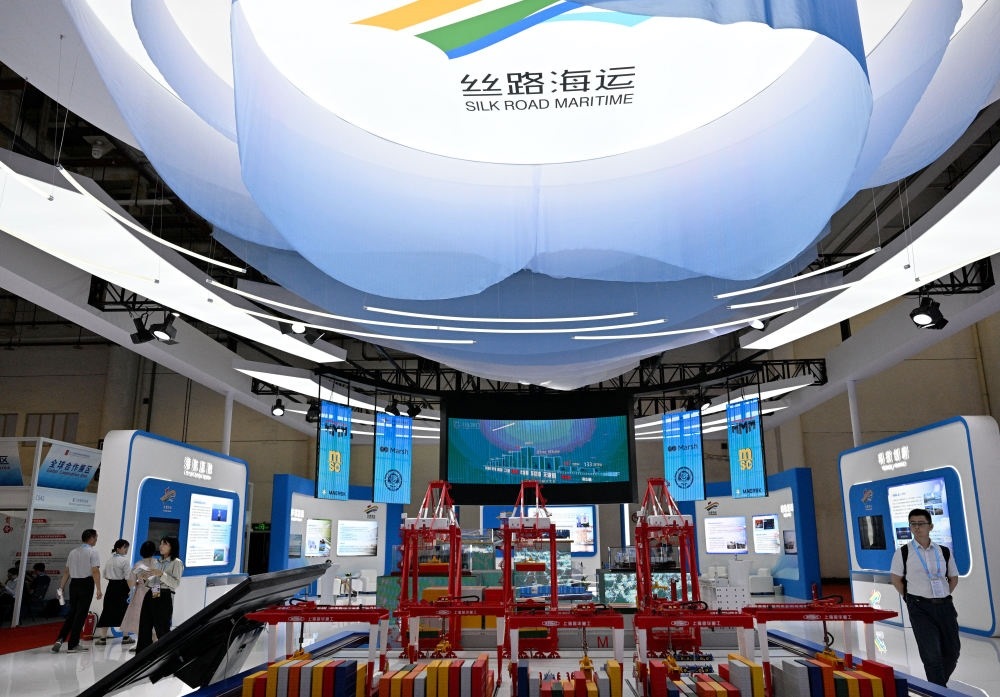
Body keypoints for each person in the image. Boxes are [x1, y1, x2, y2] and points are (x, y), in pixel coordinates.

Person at [890, 508, 960, 687]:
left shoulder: (943, 551)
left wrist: (943, 594)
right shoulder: (903, 552)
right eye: (913, 524)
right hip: (919, 607)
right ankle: (939, 690)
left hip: (945, 606)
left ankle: (938, 686)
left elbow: (953, 578)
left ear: (931, 526)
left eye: (921, 523)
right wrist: (909, 598)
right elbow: (896, 579)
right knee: (931, 655)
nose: (917, 527)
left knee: (952, 652)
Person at [52, 528, 103, 653]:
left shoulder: (73, 552)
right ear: (91, 538)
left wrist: (61, 588)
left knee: (72, 613)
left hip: (73, 584)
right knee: (80, 614)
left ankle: (60, 639)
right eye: (96, 537)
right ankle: (73, 644)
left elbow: (66, 572)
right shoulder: (93, 552)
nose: (96, 540)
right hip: (86, 584)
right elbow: (95, 571)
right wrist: (99, 589)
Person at [135, 536, 183, 653]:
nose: (161, 546)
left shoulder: (176, 562)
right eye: (161, 543)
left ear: (172, 546)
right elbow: (153, 582)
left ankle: (167, 654)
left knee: (162, 628)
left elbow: (175, 583)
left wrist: (161, 574)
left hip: (164, 595)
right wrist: (145, 578)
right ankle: (143, 655)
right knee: (145, 626)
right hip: (153, 592)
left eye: (165, 544)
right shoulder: (158, 562)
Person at [120, 540, 157, 645]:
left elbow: (131, 582)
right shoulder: (157, 563)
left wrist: (136, 584)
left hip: (141, 593)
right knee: (154, 617)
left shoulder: (138, 565)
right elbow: (157, 581)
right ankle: (155, 642)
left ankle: (141, 644)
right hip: (155, 591)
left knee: (140, 617)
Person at [94, 539, 130, 645]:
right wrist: (130, 590)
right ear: (118, 549)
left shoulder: (109, 560)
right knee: (124, 611)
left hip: (111, 587)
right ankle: (126, 637)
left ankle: (102, 638)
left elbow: (105, 575)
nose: (126, 550)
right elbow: (128, 577)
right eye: (125, 547)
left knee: (107, 611)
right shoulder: (125, 561)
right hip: (122, 587)